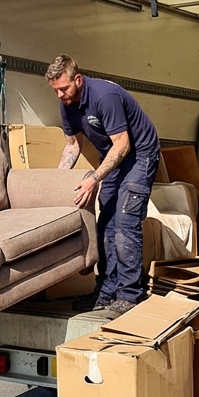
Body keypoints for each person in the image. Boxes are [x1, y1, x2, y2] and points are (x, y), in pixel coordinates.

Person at [47, 55, 161, 317]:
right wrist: (54, 182)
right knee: (106, 222)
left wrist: (94, 179)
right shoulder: (67, 105)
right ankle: (105, 292)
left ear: (78, 80)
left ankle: (130, 294)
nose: (60, 95)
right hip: (113, 157)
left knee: (124, 221)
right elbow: (73, 146)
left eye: (64, 89)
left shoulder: (104, 96)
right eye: (55, 91)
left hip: (139, 154)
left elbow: (123, 144)